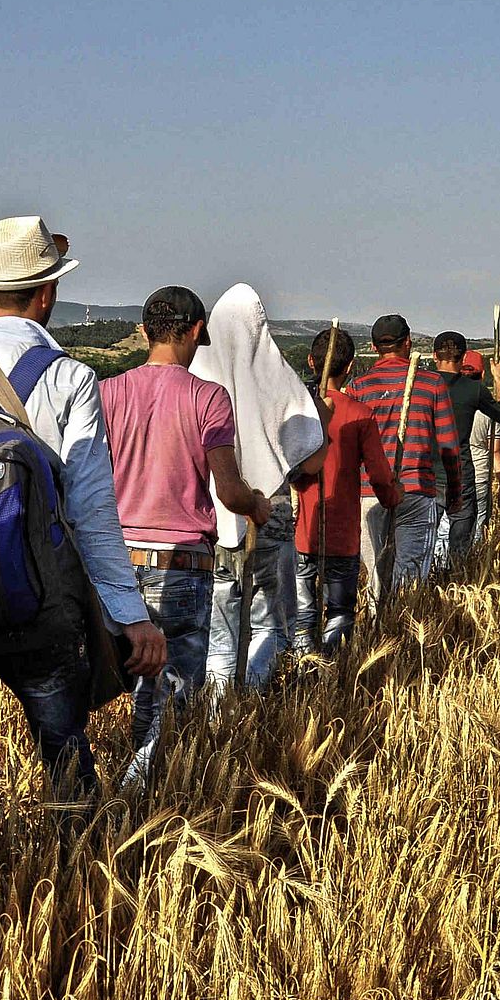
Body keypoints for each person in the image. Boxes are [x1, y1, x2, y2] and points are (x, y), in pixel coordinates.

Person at [0, 217, 167, 887]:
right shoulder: (71, 377)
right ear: (46, 294)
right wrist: (130, 613)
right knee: (66, 757)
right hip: (44, 613)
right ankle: (82, 891)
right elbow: (91, 510)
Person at [100, 286, 270, 783]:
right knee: (174, 696)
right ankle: (143, 797)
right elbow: (231, 491)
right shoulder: (208, 398)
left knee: (137, 689)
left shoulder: (107, 392)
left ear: (143, 330)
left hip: (117, 567)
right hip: (181, 568)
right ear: (197, 330)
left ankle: (128, 792)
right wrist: (257, 505)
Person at [187, 284, 324, 693]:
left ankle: (218, 719)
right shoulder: (276, 373)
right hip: (271, 508)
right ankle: (257, 703)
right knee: (269, 619)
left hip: (212, 516)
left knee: (220, 632)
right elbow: (312, 457)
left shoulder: (195, 374)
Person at [293, 327, 401, 654]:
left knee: (301, 614)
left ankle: (303, 671)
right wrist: (394, 498)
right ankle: (331, 673)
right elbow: (380, 476)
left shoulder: (294, 411)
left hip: (300, 531)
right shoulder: (359, 414)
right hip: (341, 533)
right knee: (339, 612)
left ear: (311, 361)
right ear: (351, 366)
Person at [345, 314, 463, 597]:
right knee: (410, 576)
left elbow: (349, 448)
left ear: (374, 347)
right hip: (416, 490)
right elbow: (449, 447)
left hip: (368, 492)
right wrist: (455, 493)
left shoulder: (358, 388)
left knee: (376, 575)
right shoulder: (432, 384)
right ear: (408, 342)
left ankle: (377, 632)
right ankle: (401, 634)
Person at [431, 335, 500, 564]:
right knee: (461, 538)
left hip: (426, 473)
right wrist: (497, 378)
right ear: (463, 356)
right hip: (461, 473)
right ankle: (456, 579)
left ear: (434, 355)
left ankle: (422, 587)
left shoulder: (423, 383)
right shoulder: (473, 389)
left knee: (426, 535)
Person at [457, 349, 500, 544]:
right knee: (478, 526)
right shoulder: (488, 407)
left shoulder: (448, 399)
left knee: (446, 527)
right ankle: (471, 567)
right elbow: (496, 450)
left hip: (449, 474)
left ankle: (444, 569)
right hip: (480, 475)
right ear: (482, 375)